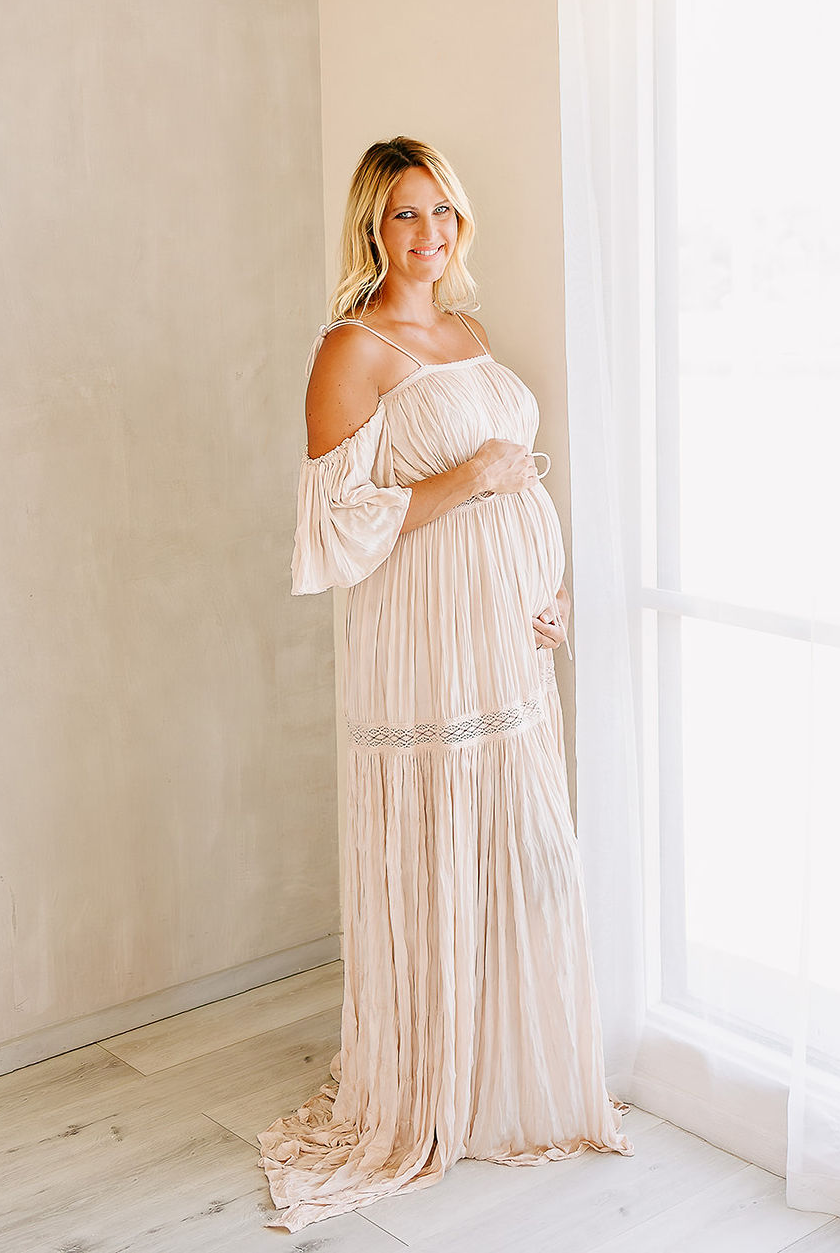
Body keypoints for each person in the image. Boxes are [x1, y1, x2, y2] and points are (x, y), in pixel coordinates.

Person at [257, 137, 633, 1233]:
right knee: (437, 839)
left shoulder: (466, 333)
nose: (427, 234)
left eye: (441, 213)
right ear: (371, 228)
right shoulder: (352, 347)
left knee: (523, 850)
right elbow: (331, 529)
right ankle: (427, 1084)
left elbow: (515, 483)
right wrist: (466, 478)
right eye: (404, 216)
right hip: (419, 635)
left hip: (504, 630)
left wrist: (546, 586)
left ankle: (507, 1074)